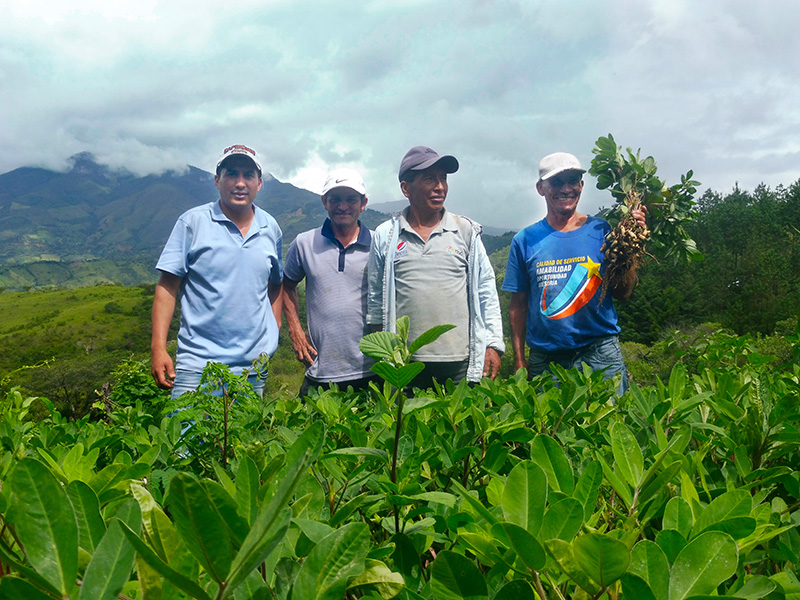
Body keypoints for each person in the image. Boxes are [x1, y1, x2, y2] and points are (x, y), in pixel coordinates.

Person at [502, 152, 645, 394]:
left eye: (572, 181)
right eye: (556, 182)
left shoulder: (602, 230)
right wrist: (519, 360)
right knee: (551, 429)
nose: (566, 189)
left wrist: (630, 247)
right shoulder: (525, 240)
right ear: (540, 188)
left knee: (612, 426)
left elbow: (623, 292)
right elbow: (518, 306)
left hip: (600, 353)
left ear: (581, 185)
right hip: (546, 360)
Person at [151, 144, 283, 397]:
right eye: (231, 174)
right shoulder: (193, 222)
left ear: (260, 183)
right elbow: (167, 287)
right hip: (197, 366)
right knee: (187, 435)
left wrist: (274, 327)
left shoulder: (271, 227)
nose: (240, 183)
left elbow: (275, 282)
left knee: (244, 438)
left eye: (248, 175)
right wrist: (158, 347)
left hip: (253, 369)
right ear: (217, 180)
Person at [367, 146, 505, 388]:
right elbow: (376, 300)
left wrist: (493, 344)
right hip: (405, 364)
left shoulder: (466, 231)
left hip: (460, 363)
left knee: (457, 424)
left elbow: (486, 292)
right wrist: (384, 357)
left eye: (443, 178)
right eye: (430, 178)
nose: (440, 186)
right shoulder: (386, 235)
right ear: (405, 188)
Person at [282, 168, 376, 397]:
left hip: (372, 370)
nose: (343, 206)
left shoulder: (378, 243)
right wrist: (295, 330)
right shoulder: (304, 243)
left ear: (363, 203)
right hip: (320, 369)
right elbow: (286, 285)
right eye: (335, 199)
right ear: (325, 202)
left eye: (351, 199)